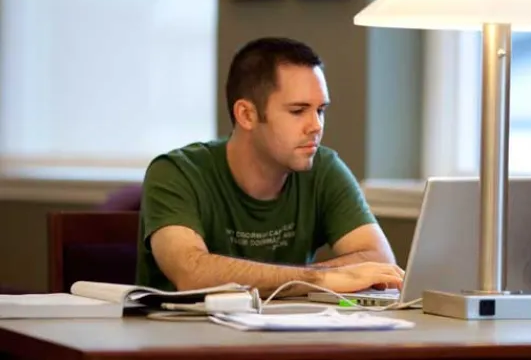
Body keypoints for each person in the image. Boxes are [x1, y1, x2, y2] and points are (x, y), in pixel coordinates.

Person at [136, 37, 403, 297]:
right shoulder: (175, 172)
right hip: (184, 337)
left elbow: (379, 260)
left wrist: (289, 279)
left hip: (289, 335)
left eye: (320, 110)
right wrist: (320, 278)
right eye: (298, 111)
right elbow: (192, 273)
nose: (316, 126)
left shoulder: (323, 167)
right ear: (247, 115)